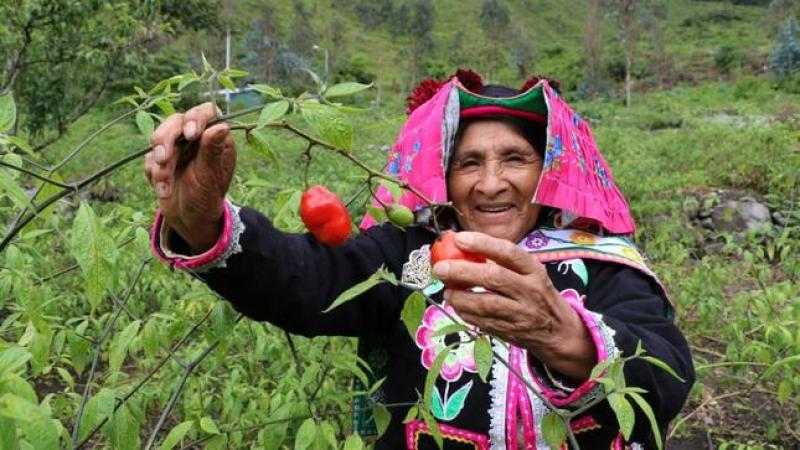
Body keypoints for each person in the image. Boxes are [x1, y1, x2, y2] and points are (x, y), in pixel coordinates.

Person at [144, 69, 694, 449]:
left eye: (515, 159)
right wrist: (203, 221)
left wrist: (565, 335)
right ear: (444, 179)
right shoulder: (419, 260)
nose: (491, 183)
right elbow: (313, 281)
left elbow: (667, 370)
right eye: (468, 163)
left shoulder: (598, 263)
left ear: (547, 171)